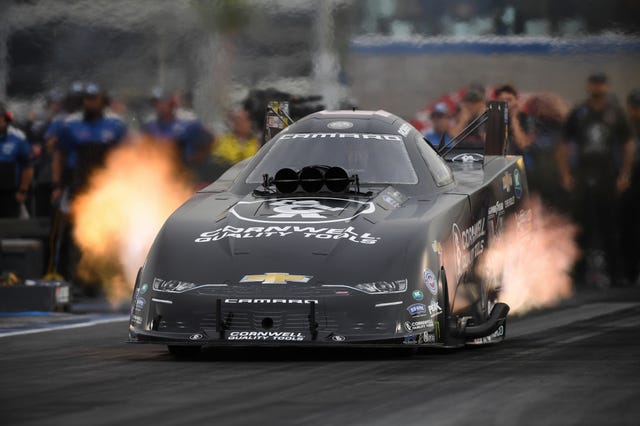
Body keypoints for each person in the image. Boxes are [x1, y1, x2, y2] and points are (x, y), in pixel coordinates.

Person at [558, 73, 635, 287]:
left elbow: (628, 143)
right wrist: (566, 174)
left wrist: (625, 174)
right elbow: (564, 143)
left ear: (606, 87)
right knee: (581, 225)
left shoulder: (615, 113)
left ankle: (615, 274)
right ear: (589, 86)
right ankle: (579, 275)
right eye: (594, 84)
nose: (597, 88)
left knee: (610, 225)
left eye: (601, 84)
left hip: (608, 174)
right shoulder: (580, 112)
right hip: (583, 174)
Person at [50, 83, 127, 285]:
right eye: (87, 98)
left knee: (110, 231)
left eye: (94, 98)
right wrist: (57, 185)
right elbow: (59, 155)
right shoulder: (70, 125)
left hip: (107, 186)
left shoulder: (115, 125)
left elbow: (127, 156)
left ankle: (108, 278)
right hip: (79, 185)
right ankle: (74, 278)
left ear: (102, 100)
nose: (90, 102)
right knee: (75, 231)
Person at [142, 87, 212, 173]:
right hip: (158, 170)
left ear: (172, 102)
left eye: (163, 102)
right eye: (156, 103)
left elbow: (208, 140)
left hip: (183, 171)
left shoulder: (187, 123)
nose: (160, 106)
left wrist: (197, 160)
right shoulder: (150, 125)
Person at [619, 89, 640, 285]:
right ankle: (630, 272)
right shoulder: (624, 127)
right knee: (629, 227)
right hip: (630, 182)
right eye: (633, 107)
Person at [0, 102, 34, 218]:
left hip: (10, 193)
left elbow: (28, 167)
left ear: (5, 118)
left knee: (10, 228)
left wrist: (23, 190)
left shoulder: (18, 137)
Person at [494, 84, 530, 155]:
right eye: (501, 100)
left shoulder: (526, 118)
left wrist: (514, 118)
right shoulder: (493, 119)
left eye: (509, 100)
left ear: (516, 101)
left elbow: (523, 145)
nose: (505, 103)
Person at [449, 84, 486, 149]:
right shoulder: (461, 114)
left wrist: (481, 118)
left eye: (475, 102)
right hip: (462, 152)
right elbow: (452, 136)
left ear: (481, 103)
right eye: (468, 102)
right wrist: (463, 121)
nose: (471, 105)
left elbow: (488, 141)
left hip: (482, 152)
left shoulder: (487, 116)